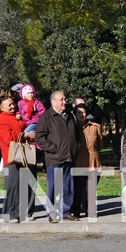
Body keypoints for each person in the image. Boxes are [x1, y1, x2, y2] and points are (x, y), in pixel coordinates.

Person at [35, 91, 79, 222]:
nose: (64, 102)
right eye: (62, 100)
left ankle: (65, 212)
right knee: (53, 187)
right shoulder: (46, 117)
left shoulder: (70, 116)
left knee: (68, 187)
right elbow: (39, 137)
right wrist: (54, 149)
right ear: (53, 101)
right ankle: (52, 214)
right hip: (54, 159)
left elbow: (76, 136)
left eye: (65, 99)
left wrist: (75, 148)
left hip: (69, 157)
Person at [0, 90, 37, 223]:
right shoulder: (1, 119)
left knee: (29, 183)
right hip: (11, 156)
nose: (13, 107)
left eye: (13, 104)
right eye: (9, 105)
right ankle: (11, 213)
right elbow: (7, 138)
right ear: (0, 107)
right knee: (13, 186)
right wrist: (25, 135)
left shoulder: (17, 118)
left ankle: (27, 212)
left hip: (24, 154)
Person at [70, 104, 103, 219]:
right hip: (78, 162)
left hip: (93, 162)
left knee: (91, 189)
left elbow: (99, 144)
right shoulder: (72, 127)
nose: (81, 115)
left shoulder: (96, 127)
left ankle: (91, 211)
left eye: (83, 112)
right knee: (77, 190)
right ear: (75, 114)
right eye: (79, 112)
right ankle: (76, 212)